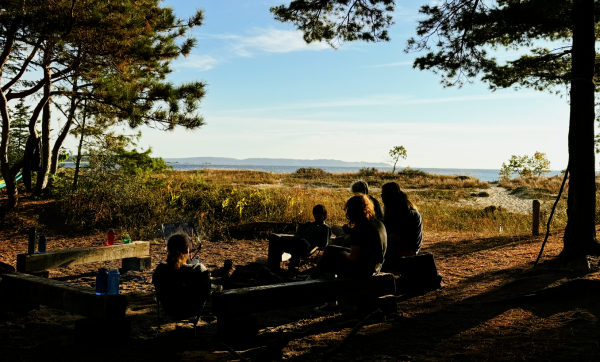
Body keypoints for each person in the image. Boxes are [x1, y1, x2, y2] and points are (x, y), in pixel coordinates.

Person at [309, 194, 387, 314]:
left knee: (331, 264)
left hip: (364, 269)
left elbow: (353, 258)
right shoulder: (378, 223)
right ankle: (310, 279)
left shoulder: (360, 228)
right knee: (330, 249)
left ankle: (331, 303)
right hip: (376, 265)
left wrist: (345, 253)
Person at [152, 233, 220, 319]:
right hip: (192, 310)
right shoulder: (199, 270)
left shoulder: (160, 270)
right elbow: (205, 291)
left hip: (170, 310)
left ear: (168, 251)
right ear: (187, 250)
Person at [268, 204, 331, 272]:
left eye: (319, 213)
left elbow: (324, 242)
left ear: (324, 215)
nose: (316, 215)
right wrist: (297, 239)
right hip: (295, 244)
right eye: (315, 213)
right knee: (273, 237)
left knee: (302, 242)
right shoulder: (308, 224)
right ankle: (274, 266)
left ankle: (292, 266)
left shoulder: (325, 228)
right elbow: (297, 234)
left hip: (306, 247)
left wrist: (308, 239)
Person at [330, 179, 383, 247]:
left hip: (365, 233)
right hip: (367, 231)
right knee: (335, 227)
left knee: (335, 243)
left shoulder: (364, 203)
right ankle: (344, 236)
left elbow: (362, 226)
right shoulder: (372, 201)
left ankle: (345, 237)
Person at [381, 182, 423, 258]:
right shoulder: (405, 207)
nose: (381, 196)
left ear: (389, 196)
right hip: (410, 247)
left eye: (383, 194)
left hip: (406, 250)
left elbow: (396, 236)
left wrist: (377, 241)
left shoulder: (401, 211)